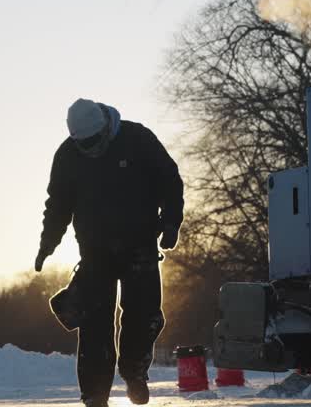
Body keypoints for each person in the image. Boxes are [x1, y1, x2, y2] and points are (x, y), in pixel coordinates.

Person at [36, 98, 184, 407]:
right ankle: (94, 395)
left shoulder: (137, 139)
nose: (90, 150)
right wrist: (47, 243)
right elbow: (58, 204)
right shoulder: (67, 156)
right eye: (84, 145)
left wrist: (171, 222)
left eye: (94, 143)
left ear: (106, 129)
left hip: (139, 245)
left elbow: (170, 181)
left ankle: (134, 372)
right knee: (94, 325)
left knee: (143, 316)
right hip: (95, 252)